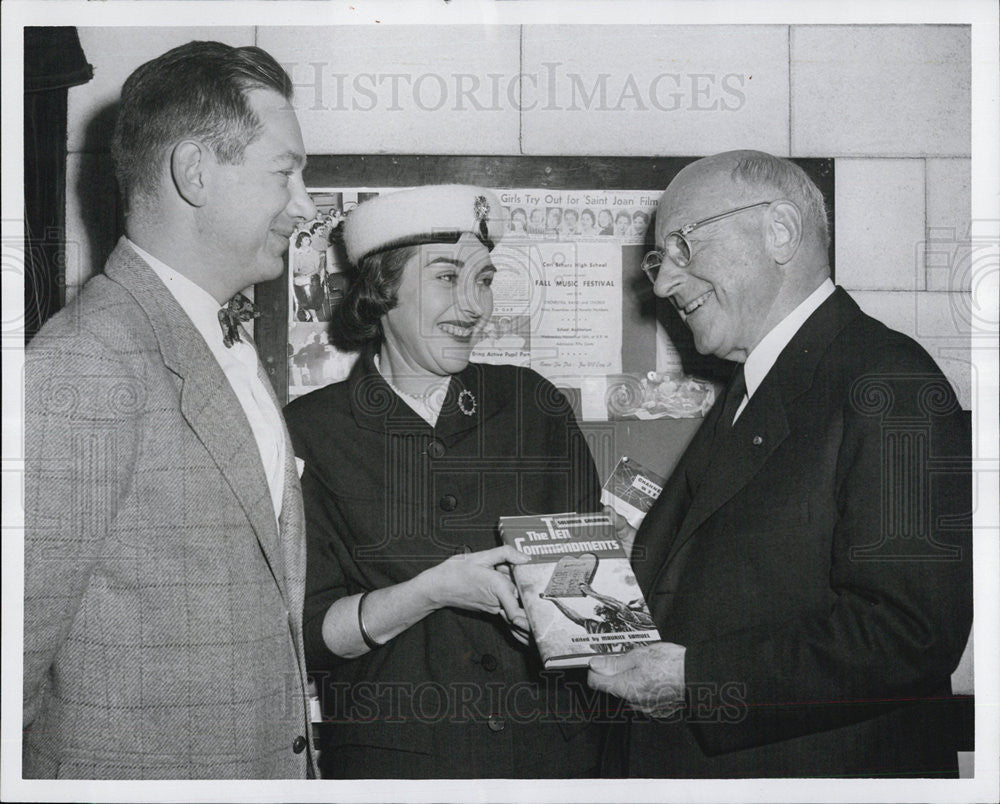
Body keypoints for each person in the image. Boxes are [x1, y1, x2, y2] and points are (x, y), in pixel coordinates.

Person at [588, 151, 972, 778]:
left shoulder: (889, 380)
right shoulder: (758, 383)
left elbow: (910, 632)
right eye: (660, 260)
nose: (661, 285)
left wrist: (696, 681)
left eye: (682, 247)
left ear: (781, 232)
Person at [23, 41, 318, 779]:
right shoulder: (88, 359)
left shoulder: (219, 335)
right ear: (194, 172)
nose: (307, 206)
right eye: (286, 173)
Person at [283, 185, 605, 778]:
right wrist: (434, 589)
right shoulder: (310, 432)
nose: (474, 305)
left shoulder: (534, 404)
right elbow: (308, 634)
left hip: (550, 759)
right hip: (402, 770)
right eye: (447, 277)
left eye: (482, 281)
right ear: (383, 291)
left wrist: (549, 606)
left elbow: (586, 585)